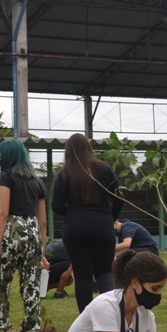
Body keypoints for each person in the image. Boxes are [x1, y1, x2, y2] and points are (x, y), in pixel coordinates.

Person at [0, 139, 49, 332]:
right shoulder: (38, 181)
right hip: (32, 234)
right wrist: (42, 251)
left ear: (9, 156)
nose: (0, 158)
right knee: (31, 289)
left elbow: (3, 213)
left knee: (2, 286)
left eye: (1, 155)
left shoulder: (7, 177)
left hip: (12, 233)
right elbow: (43, 222)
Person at [52, 133, 123, 313]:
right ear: (89, 149)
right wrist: (109, 217)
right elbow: (119, 198)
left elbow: (57, 206)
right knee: (104, 273)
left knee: (82, 276)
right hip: (102, 225)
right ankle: (112, 318)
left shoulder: (63, 175)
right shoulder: (104, 169)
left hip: (74, 228)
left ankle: (86, 321)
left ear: (67, 151)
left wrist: (72, 214)